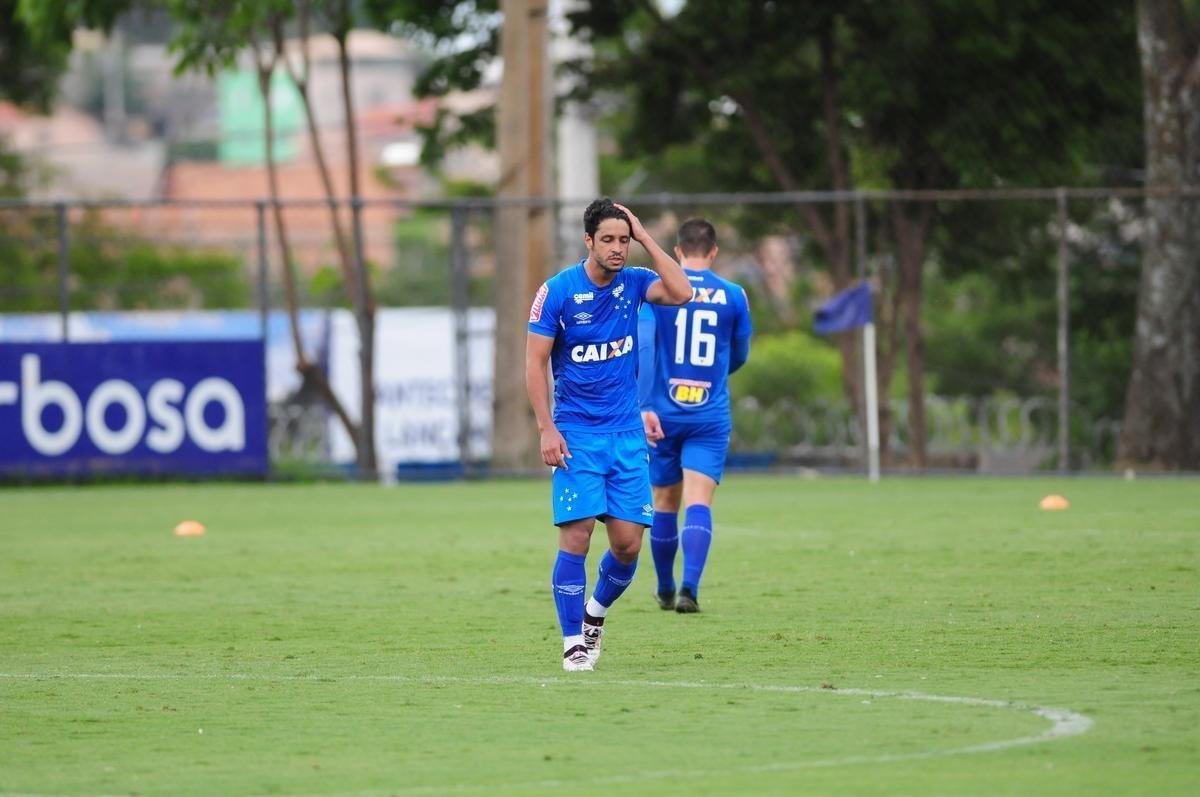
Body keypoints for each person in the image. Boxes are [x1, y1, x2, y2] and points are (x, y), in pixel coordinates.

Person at [527, 198, 691, 672]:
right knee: (576, 537)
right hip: (577, 434)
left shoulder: (636, 283)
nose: (618, 249)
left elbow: (681, 292)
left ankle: (594, 616)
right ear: (589, 242)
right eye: (609, 240)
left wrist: (645, 236)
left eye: (624, 240)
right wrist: (546, 428)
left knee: (626, 545)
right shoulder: (557, 292)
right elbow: (535, 362)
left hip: (626, 436)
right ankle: (572, 643)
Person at [637, 217, 753, 614]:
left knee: (664, 501)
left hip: (662, 412)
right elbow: (739, 354)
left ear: (678, 251)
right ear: (714, 251)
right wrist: (714, 377)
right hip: (709, 413)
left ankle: (665, 587)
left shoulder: (659, 291)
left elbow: (645, 349)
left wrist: (645, 403)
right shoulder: (734, 295)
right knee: (699, 501)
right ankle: (690, 589)